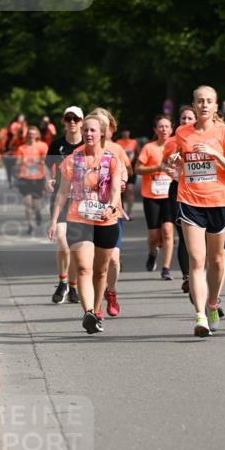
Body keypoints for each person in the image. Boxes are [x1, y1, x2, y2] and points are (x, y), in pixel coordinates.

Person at [171, 85, 225, 336]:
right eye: (199, 101)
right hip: (190, 200)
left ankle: (213, 303)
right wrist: (176, 162)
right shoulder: (182, 132)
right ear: (193, 104)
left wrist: (215, 154)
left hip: (220, 201)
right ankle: (200, 316)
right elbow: (179, 162)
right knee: (197, 260)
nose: (203, 105)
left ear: (215, 105)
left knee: (217, 259)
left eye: (208, 101)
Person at [47, 114, 122, 335]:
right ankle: (88, 311)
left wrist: (111, 207)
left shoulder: (111, 159)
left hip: (105, 220)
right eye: (86, 130)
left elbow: (116, 190)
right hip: (79, 219)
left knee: (100, 271)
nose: (88, 134)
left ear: (101, 133)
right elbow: (62, 193)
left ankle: (97, 309)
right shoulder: (72, 160)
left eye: (92, 130)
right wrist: (54, 220)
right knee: (83, 267)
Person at [90, 107, 131, 318]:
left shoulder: (116, 149)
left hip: (111, 212)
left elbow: (124, 171)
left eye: (104, 124)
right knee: (91, 263)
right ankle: (94, 304)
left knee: (113, 260)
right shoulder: (84, 150)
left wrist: (122, 181)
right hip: (86, 214)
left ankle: (111, 292)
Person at [46, 106, 84, 304]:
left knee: (76, 246)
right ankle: (63, 283)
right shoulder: (57, 145)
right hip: (60, 197)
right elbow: (47, 166)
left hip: (81, 200)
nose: (72, 122)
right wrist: (48, 179)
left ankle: (74, 286)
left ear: (81, 122)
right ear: (63, 121)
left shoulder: (87, 144)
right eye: (68, 118)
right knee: (63, 241)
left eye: (76, 119)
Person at [135, 115, 177, 279]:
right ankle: (152, 254)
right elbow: (138, 169)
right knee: (153, 235)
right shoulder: (149, 148)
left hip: (169, 195)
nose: (164, 129)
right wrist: (157, 168)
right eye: (161, 126)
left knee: (167, 231)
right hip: (151, 195)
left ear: (171, 129)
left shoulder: (175, 146)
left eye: (167, 126)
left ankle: (166, 268)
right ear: (155, 130)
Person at [168, 105, 196, 292]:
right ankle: (188, 277)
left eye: (189, 118)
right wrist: (172, 164)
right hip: (179, 189)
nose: (186, 121)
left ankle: (198, 272)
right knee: (183, 237)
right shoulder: (175, 139)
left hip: (201, 190)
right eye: (183, 118)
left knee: (204, 238)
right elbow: (168, 164)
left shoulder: (207, 138)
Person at [15, 126, 50, 234]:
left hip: (38, 178)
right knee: (27, 203)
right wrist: (22, 161)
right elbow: (17, 162)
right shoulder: (22, 148)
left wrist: (47, 178)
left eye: (33, 134)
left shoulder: (42, 146)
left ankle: (38, 213)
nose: (31, 136)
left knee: (36, 204)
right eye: (29, 133)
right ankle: (30, 225)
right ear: (27, 135)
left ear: (37, 135)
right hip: (25, 178)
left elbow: (47, 161)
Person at [116, 128, 138, 220]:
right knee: (121, 191)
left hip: (131, 168)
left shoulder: (133, 142)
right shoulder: (118, 142)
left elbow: (137, 154)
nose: (126, 132)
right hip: (120, 169)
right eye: (124, 131)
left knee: (130, 189)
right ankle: (121, 211)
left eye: (127, 131)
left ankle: (129, 213)